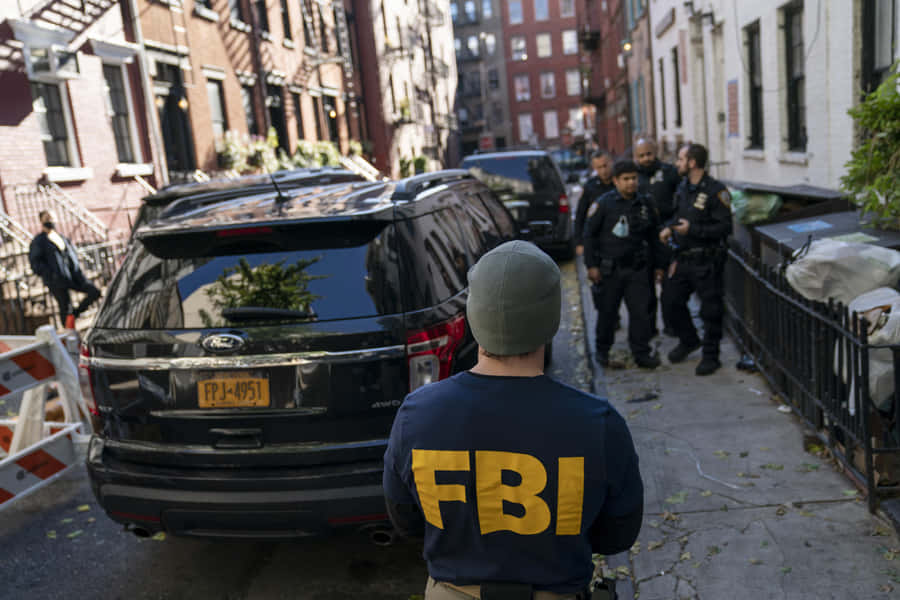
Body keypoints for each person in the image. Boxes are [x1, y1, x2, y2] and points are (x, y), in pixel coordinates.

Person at [383, 241, 643, 600]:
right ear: (551, 319)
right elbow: (618, 534)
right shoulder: (598, 422)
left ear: (474, 316)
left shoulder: (417, 415)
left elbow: (407, 520)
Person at [660, 143, 733, 376]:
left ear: (692, 162)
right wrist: (670, 228)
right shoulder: (683, 187)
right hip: (683, 258)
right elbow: (678, 216)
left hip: (706, 260)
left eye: (681, 159)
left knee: (710, 311)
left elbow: (724, 227)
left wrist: (692, 230)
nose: (677, 163)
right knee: (671, 301)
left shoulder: (716, 191)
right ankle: (689, 340)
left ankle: (711, 356)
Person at [584, 160, 664, 369]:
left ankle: (641, 353)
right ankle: (602, 351)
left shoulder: (645, 203)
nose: (631, 183)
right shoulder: (604, 204)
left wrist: (659, 266)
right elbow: (589, 235)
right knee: (608, 313)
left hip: (638, 269)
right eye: (626, 179)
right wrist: (591, 265)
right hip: (611, 270)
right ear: (616, 181)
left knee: (640, 314)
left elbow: (655, 237)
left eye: (634, 178)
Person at [634, 137, 681, 338]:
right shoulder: (632, 176)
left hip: (668, 234)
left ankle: (672, 326)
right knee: (645, 290)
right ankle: (649, 329)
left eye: (649, 154)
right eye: (641, 155)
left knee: (670, 288)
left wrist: (672, 226)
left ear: (656, 152)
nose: (646, 158)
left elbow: (681, 201)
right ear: (636, 157)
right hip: (645, 238)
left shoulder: (670, 173)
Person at [28, 210, 101, 324]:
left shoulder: (61, 237)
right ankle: (68, 334)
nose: (50, 221)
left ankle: (75, 314)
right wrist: (51, 275)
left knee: (94, 292)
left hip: (73, 276)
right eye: (47, 218)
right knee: (65, 308)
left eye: (52, 218)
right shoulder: (39, 241)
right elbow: (35, 264)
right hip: (57, 280)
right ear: (41, 221)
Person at [573, 151, 615, 257]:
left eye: (605, 166)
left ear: (611, 162)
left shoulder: (619, 183)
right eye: (599, 167)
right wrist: (579, 242)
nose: (603, 170)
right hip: (597, 240)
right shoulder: (590, 187)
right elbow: (580, 215)